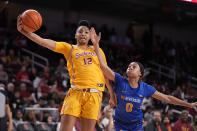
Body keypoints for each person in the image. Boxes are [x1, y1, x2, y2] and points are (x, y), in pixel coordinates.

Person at [17, 16, 115, 131]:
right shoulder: (69, 48)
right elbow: (43, 42)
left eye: (86, 32)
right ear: (75, 35)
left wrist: (112, 95)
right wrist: (24, 31)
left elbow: (105, 72)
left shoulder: (97, 50)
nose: (83, 34)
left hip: (94, 95)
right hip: (75, 93)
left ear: (90, 36)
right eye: (80, 31)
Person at [91, 27, 197, 131]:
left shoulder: (145, 88)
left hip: (136, 125)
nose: (130, 67)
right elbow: (103, 67)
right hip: (119, 123)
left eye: (134, 67)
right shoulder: (120, 80)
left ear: (140, 74)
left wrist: (188, 104)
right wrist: (96, 44)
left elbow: (168, 98)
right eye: (129, 66)